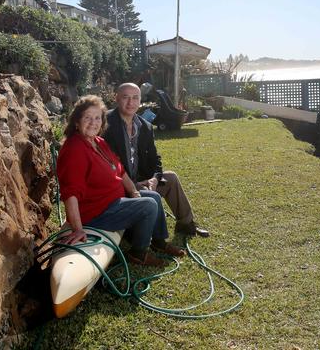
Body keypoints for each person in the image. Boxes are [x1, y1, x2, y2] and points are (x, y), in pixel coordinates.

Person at [57, 95, 185, 267]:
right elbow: (70, 192)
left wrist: (134, 192)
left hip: (113, 200)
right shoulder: (75, 148)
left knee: (152, 196)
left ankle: (159, 242)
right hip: (96, 213)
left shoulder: (98, 142)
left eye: (97, 118)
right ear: (76, 121)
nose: (93, 122)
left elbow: (120, 170)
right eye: (87, 117)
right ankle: (138, 253)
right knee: (149, 205)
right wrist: (78, 229)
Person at [104, 83, 210, 237]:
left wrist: (154, 179)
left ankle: (186, 224)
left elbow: (155, 159)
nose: (130, 102)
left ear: (140, 100)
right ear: (116, 98)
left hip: (144, 183)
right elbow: (106, 165)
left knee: (171, 178)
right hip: (120, 187)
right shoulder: (105, 123)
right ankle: (154, 239)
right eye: (125, 97)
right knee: (148, 194)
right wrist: (134, 185)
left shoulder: (145, 126)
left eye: (135, 98)